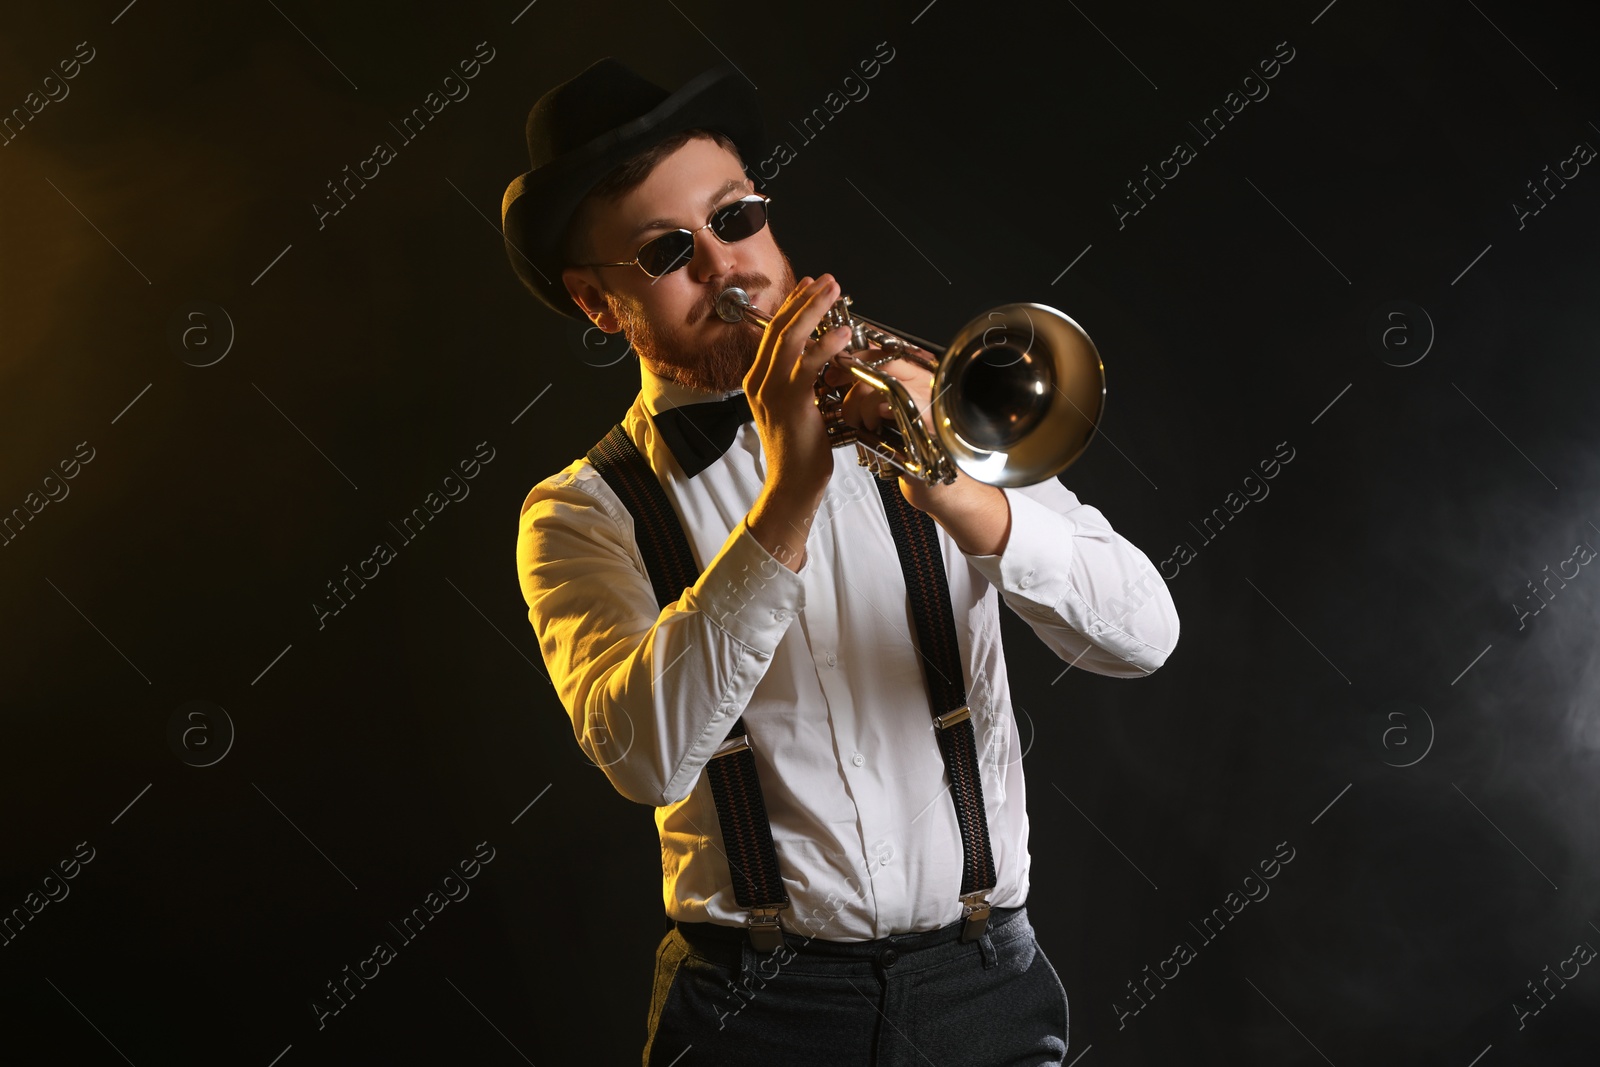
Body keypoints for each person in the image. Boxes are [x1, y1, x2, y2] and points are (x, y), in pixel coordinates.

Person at [504, 57, 1180, 1066]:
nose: (726, 270)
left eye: (736, 220)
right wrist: (789, 494)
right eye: (665, 252)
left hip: (983, 987)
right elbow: (645, 754)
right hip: (752, 1009)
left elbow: (1144, 633)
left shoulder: (921, 408)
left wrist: (950, 488)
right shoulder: (577, 514)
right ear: (599, 307)